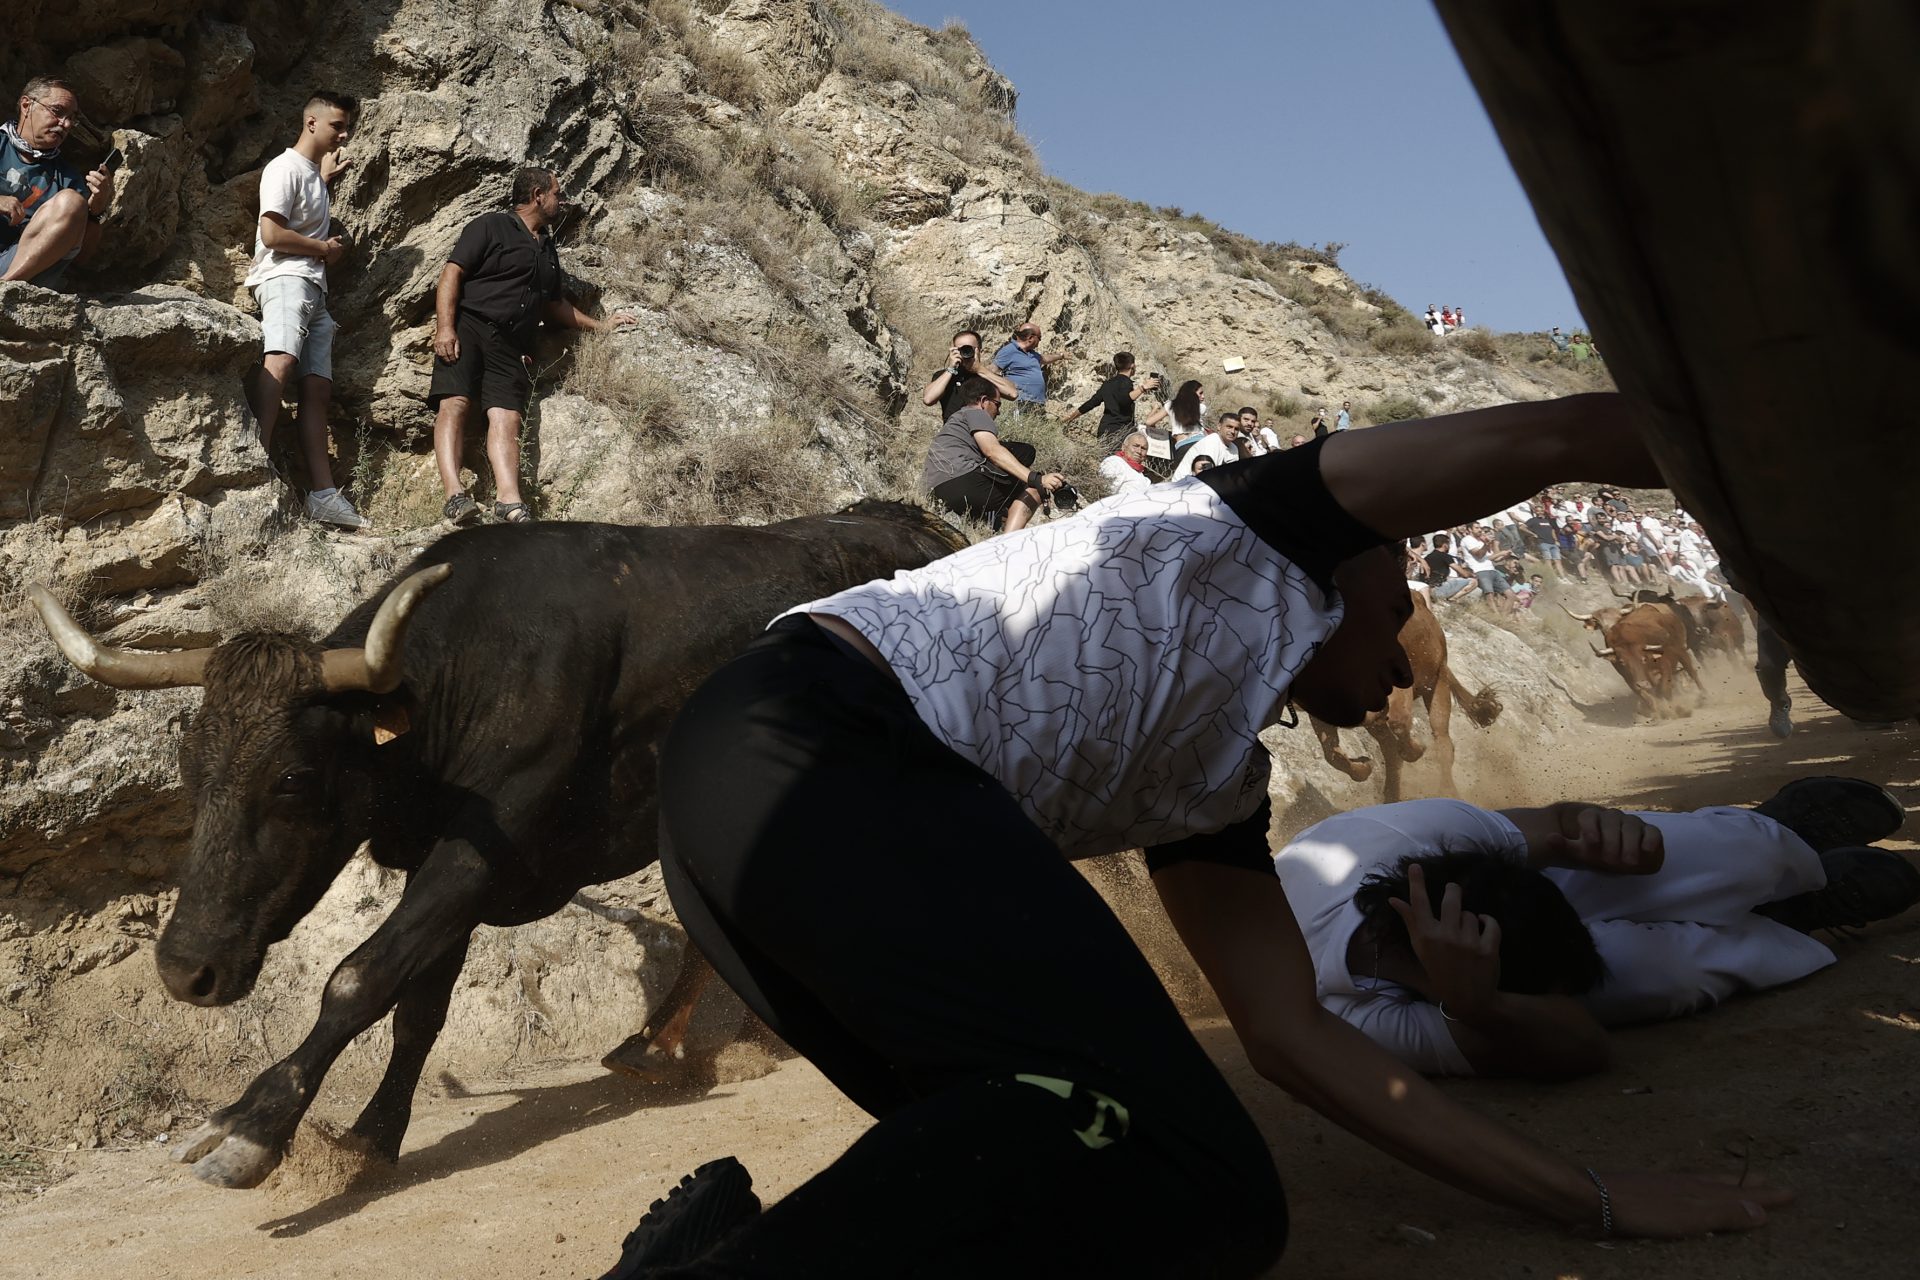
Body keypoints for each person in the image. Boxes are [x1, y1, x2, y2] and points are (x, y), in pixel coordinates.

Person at [609, 394, 1791, 1280]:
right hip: (815, 736)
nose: (1400, 656)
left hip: (748, 820)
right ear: (1337, 566)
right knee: (1132, 1136)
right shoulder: (1252, 527)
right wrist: (1787, 449)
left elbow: (1297, 1039)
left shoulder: (1211, 785)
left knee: (1192, 1196)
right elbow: (1562, 439)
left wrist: (1590, 1197)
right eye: (1390, 616)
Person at [1276, 783, 1916, 1078]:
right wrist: (1482, 1003)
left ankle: (1781, 842)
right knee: (1665, 975)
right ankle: (1794, 915)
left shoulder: (1379, 838)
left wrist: (1600, 831)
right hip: (1482, 968)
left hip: (1546, 881)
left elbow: (1555, 823)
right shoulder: (1339, 1016)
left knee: (1728, 857)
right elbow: (1584, 1049)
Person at [431, 167, 634, 524]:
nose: (562, 200)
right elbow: (452, 273)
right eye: (557, 193)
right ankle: (454, 495)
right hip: (470, 326)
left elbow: (554, 306)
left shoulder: (547, 247)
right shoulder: (490, 225)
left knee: (507, 417)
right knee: (455, 403)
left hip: (512, 344)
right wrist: (445, 327)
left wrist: (600, 326)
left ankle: (509, 501)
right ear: (538, 195)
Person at [242, 89, 368, 530]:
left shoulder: (312, 173)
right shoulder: (283, 167)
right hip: (284, 278)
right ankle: (249, 465)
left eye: (347, 126)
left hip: (314, 287)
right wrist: (323, 248)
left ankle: (323, 494)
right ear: (310, 122)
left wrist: (325, 176)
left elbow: (304, 199)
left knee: (317, 387)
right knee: (281, 360)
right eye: (337, 125)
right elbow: (273, 235)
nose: (344, 134)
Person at [1, 76, 114, 287]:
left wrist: (96, 210)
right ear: (27, 105)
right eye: (57, 111)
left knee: (71, 202)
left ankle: (6, 289)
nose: (66, 124)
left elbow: (81, 259)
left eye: (72, 118)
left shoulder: (67, 178)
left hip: (23, 275)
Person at [921, 376, 1063, 533]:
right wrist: (1037, 479)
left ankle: (994, 519)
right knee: (1034, 488)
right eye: (997, 404)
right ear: (983, 401)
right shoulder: (975, 413)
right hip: (963, 483)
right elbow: (992, 451)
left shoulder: (955, 421)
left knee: (1021, 452)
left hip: (935, 491)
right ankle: (1007, 543)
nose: (999, 412)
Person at [1061, 351, 1160, 447]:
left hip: (1104, 431)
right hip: (1119, 433)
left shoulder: (1107, 384)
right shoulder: (1126, 382)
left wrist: (1070, 418)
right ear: (1132, 366)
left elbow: (1091, 403)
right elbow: (1124, 400)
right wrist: (1143, 388)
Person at [922, 327, 1018, 423]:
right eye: (960, 349)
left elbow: (1013, 394)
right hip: (955, 430)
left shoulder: (987, 376)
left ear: (980, 351)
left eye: (969, 348)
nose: (965, 352)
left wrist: (980, 370)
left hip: (981, 429)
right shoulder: (945, 376)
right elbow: (928, 399)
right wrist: (951, 369)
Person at [990, 323, 1069, 416]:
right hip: (1021, 403)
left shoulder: (1032, 354)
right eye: (1039, 338)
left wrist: (1061, 356)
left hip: (1038, 404)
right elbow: (991, 371)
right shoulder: (1009, 350)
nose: (1039, 341)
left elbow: (1045, 359)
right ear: (1031, 338)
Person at [1171, 410, 1244, 480]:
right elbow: (1206, 473)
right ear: (1219, 426)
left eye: (1236, 429)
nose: (1232, 431)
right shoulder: (1212, 442)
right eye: (1229, 427)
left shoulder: (1234, 448)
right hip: (1185, 484)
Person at [1424, 532, 1477, 602]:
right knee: (1473, 582)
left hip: (1428, 590)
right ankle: (1452, 600)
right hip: (1439, 590)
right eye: (1449, 544)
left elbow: (1436, 576)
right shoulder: (1445, 556)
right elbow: (1464, 574)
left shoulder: (1427, 558)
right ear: (1445, 545)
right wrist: (1472, 574)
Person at [1097, 431, 1152, 497]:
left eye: (1143, 448)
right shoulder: (1114, 463)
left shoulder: (1142, 477)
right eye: (1135, 446)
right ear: (1124, 447)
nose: (1139, 451)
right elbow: (1105, 492)